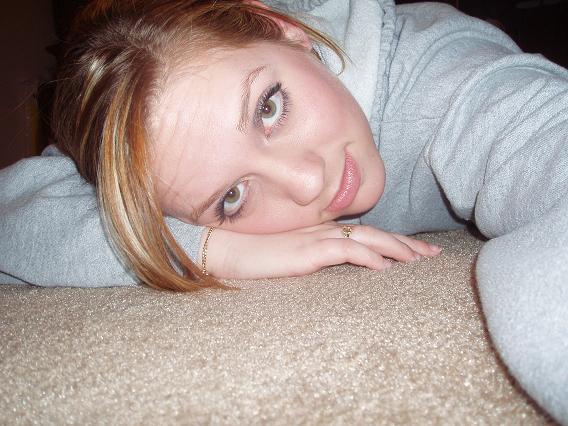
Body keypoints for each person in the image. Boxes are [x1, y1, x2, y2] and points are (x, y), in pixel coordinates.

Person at [0, 0, 566, 422]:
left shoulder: (453, 81)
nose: (307, 181)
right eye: (232, 197)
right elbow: (15, 211)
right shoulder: (165, 146)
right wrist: (218, 252)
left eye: (269, 108)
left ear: (284, 28)